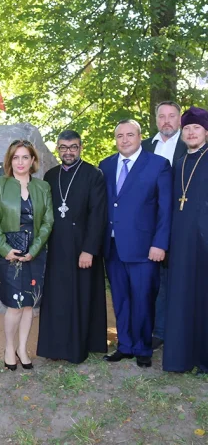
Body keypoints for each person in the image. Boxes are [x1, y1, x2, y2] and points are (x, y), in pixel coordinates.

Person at [99, 119, 172, 368]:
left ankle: (142, 348)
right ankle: (125, 345)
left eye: (130, 135)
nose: (125, 140)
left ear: (140, 137)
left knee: (143, 299)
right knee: (120, 299)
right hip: (113, 247)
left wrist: (160, 244)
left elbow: (165, 209)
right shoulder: (106, 165)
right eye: (120, 136)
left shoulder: (158, 165)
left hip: (145, 248)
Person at [37, 130, 107, 364]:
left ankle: (79, 347)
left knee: (81, 295)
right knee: (57, 298)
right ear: (58, 149)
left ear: (80, 148)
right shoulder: (50, 175)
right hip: (57, 247)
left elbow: (98, 214)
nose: (68, 152)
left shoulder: (93, 174)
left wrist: (89, 249)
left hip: (82, 247)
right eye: (64, 147)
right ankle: (54, 347)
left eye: (73, 147)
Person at [0, 139, 53, 371]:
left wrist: (34, 250)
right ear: (9, 160)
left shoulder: (43, 187)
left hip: (35, 253)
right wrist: (5, 249)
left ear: (33, 160)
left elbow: (48, 221)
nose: (20, 162)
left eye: (25, 157)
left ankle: (23, 348)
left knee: (29, 305)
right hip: (9, 254)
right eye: (16, 157)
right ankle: (9, 348)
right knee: (14, 305)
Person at [163, 106, 208, 375]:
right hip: (180, 242)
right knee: (180, 297)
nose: (191, 133)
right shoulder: (179, 162)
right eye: (187, 128)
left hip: (203, 242)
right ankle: (180, 358)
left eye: (197, 128)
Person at [142, 101, 186, 350]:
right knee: (151, 277)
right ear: (156, 119)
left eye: (172, 116)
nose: (167, 120)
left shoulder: (190, 145)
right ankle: (153, 329)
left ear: (179, 119)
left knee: (174, 277)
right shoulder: (146, 146)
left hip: (180, 220)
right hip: (147, 222)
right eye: (162, 116)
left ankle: (169, 329)